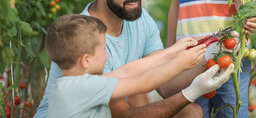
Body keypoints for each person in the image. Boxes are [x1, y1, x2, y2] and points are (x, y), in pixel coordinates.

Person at [35, 0, 222, 118]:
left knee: (190, 112)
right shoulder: (86, 41)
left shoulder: (138, 18)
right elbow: (122, 111)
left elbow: (150, 77)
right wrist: (191, 91)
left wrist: (209, 57)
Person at [45, 14, 234, 117]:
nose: (106, 53)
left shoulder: (69, 85)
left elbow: (126, 71)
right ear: (86, 60)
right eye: (103, 49)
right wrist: (181, 68)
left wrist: (172, 51)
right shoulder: (84, 88)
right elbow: (146, 81)